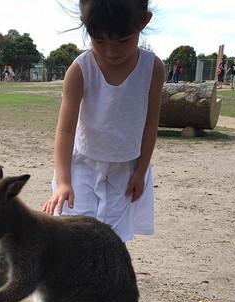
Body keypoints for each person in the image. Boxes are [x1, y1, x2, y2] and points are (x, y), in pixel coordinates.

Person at [42, 0, 165, 241]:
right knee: (75, 233)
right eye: (99, 41)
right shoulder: (80, 70)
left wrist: (140, 172)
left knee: (114, 239)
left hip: (125, 169)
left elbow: (150, 126)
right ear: (86, 25)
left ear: (144, 22)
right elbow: (65, 131)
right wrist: (64, 181)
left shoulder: (153, 69)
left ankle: (108, 279)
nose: (111, 51)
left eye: (122, 41)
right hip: (83, 167)